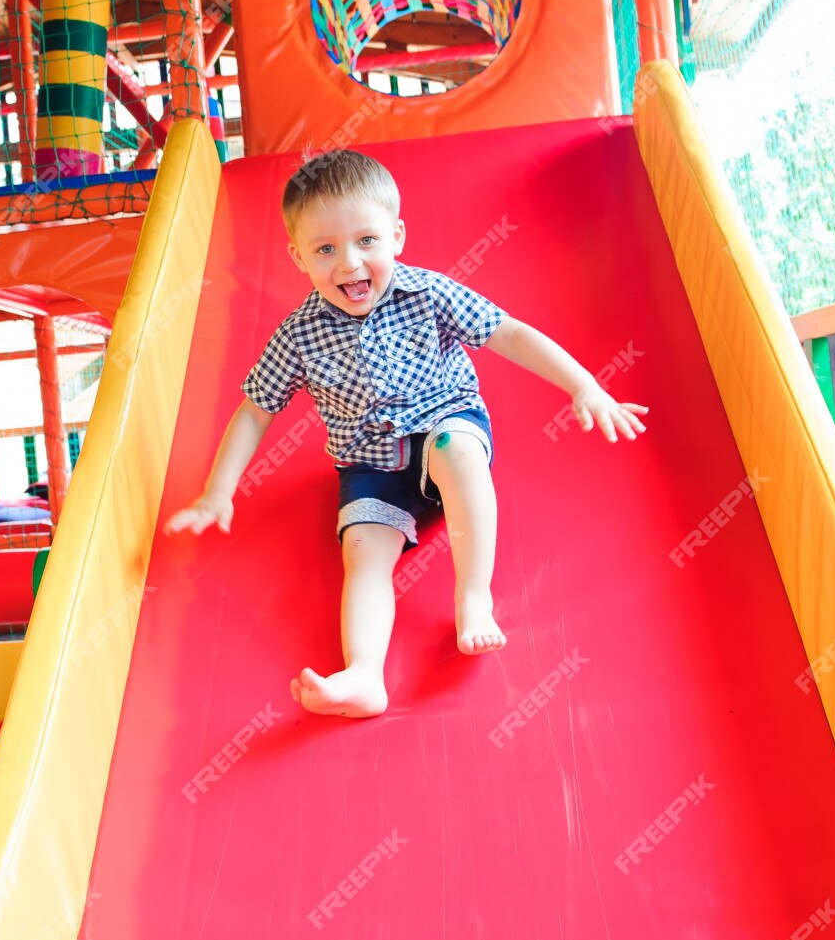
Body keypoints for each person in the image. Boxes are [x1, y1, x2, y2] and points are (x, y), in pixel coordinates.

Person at [164, 149, 647, 719]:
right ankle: (365, 674)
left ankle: (473, 598)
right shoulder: (298, 334)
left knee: (456, 450)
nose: (349, 263)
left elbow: (507, 333)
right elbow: (255, 410)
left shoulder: (428, 294)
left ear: (396, 235)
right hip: (368, 464)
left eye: (366, 241)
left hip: (445, 422)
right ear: (298, 257)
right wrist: (219, 489)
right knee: (363, 554)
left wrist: (584, 386)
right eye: (325, 249)